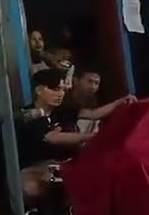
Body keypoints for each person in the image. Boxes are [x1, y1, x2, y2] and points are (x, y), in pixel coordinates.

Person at [18, 68, 95, 200]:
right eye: (55, 89)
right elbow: (51, 138)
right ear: (39, 90)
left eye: (62, 90)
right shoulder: (29, 116)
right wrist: (91, 137)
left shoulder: (59, 113)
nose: (60, 94)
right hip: (33, 174)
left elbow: (93, 114)